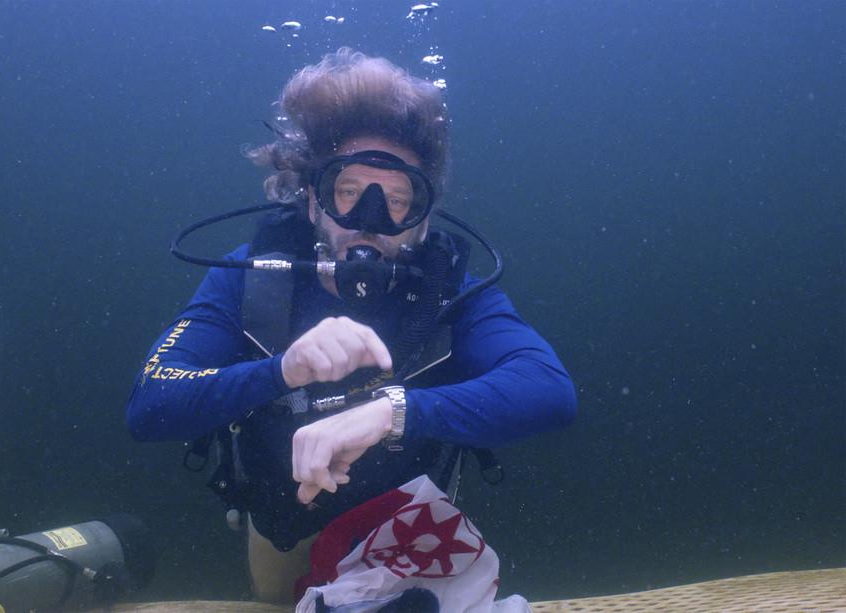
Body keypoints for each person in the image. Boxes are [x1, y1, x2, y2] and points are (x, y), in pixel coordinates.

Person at [126, 48, 577, 604]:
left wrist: (395, 412)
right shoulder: (253, 277)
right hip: (282, 530)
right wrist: (281, 370)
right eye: (348, 191)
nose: (369, 221)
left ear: (423, 219)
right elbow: (150, 401)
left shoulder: (448, 291)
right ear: (313, 201)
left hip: (407, 535)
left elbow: (549, 389)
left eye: (395, 200)